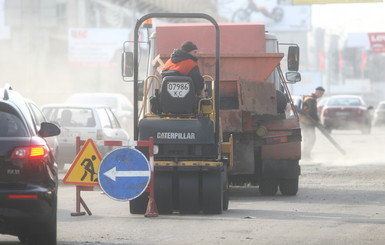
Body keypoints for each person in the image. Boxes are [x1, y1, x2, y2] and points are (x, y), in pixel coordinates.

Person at [299, 86, 325, 160]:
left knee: (308, 139)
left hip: (306, 122)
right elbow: (312, 112)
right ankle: (305, 155)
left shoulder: (310, 98)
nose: (322, 95)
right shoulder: (311, 99)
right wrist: (318, 121)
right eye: (322, 93)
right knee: (310, 139)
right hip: (306, 122)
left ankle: (306, 155)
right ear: (318, 91)